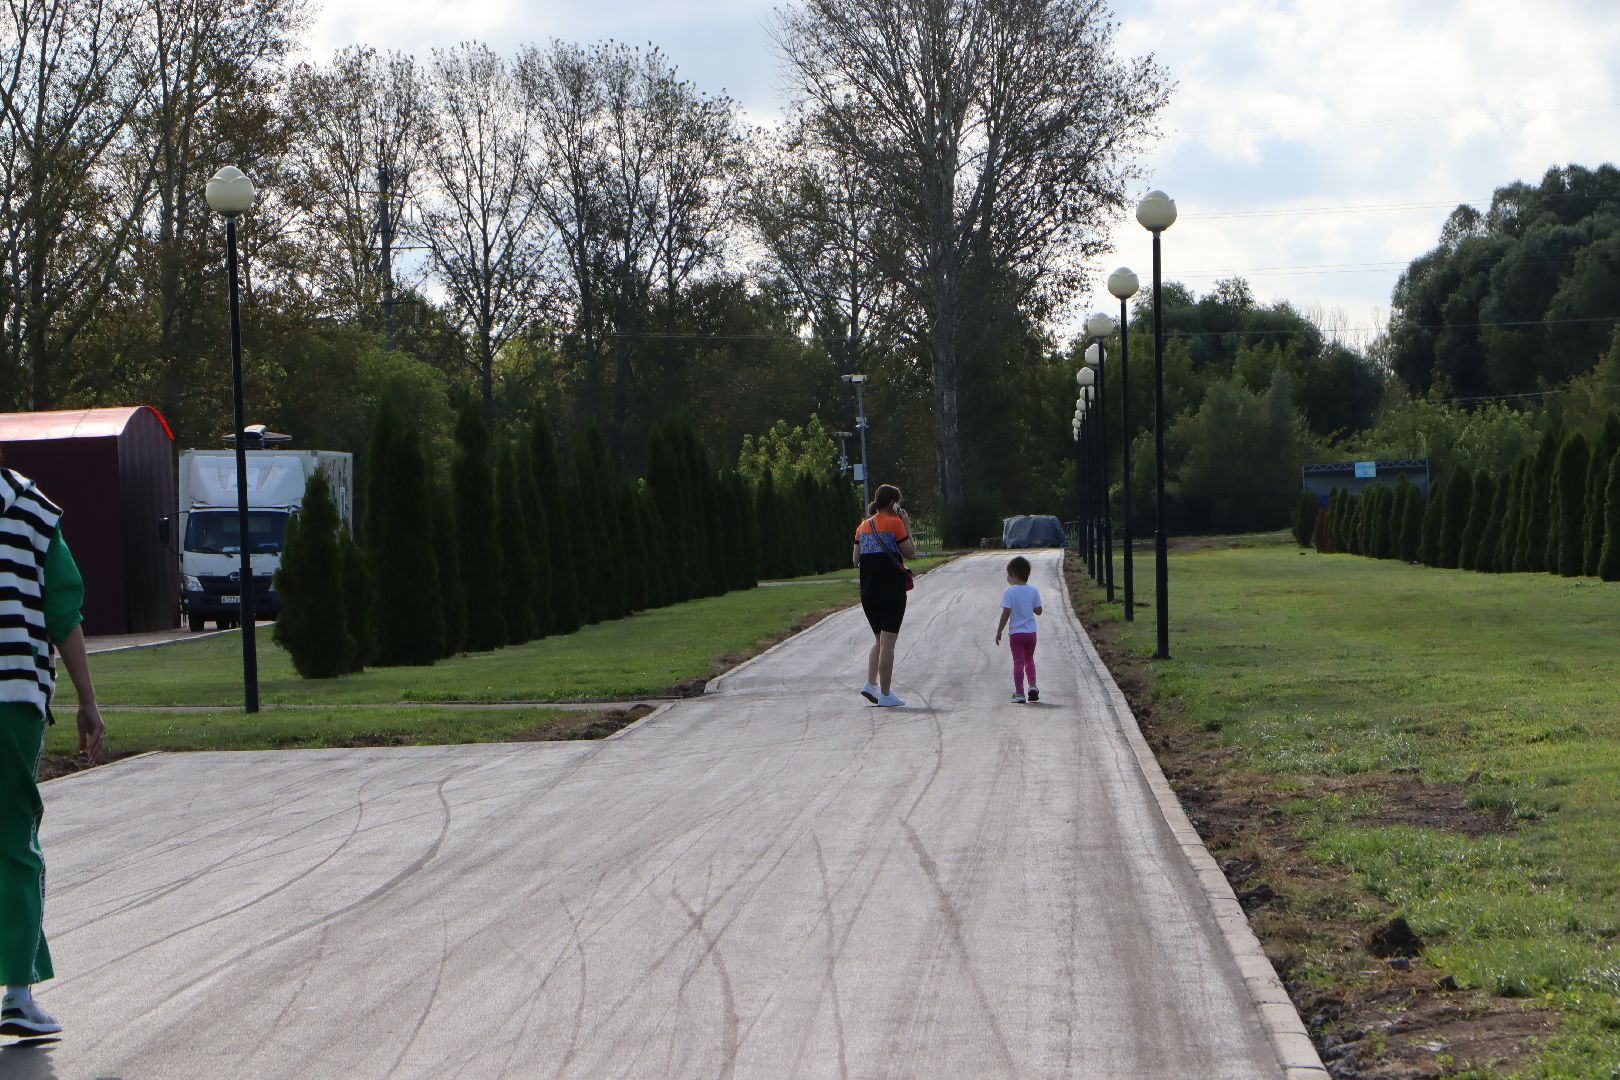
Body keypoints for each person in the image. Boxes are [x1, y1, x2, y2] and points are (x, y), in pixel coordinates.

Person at [1, 464, 103, 1039]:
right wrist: (87, 701)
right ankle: (17, 993)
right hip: (12, 697)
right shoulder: (33, 511)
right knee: (14, 840)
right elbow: (63, 611)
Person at [852, 484, 915, 707]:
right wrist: (906, 526)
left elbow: (855, 560)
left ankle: (871, 684)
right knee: (888, 643)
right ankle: (886, 694)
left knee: (879, 639)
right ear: (892, 503)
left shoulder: (862, 526)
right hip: (891, 591)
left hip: (868, 592)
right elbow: (910, 553)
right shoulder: (895, 523)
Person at [994, 555, 1043, 704]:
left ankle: (1020, 693)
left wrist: (999, 630)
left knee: (1018, 662)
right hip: (1031, 634)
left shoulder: (1009, 592)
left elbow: (1006, 613)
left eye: (1008, 575)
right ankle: (1032, 686)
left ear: (1014, 574)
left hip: (1016, 635)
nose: (1007, 578)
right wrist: (1030, 605)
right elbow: (1039, 611)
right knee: (1029, 659)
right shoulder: (1033, 590)